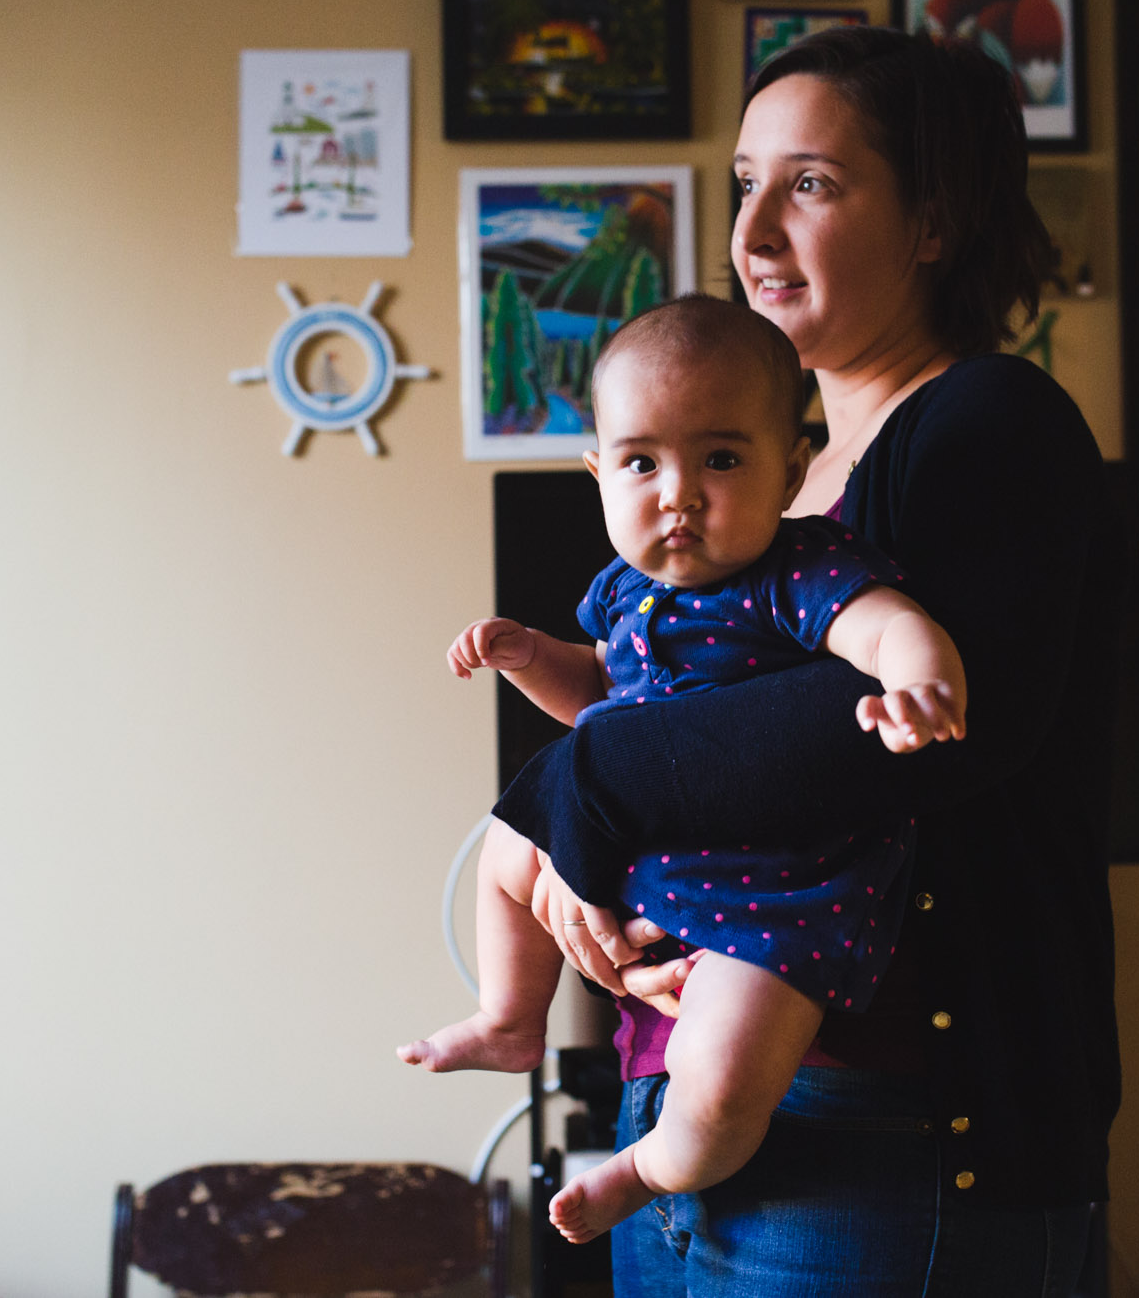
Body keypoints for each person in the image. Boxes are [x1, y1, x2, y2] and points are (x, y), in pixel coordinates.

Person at [487, 26, 1120, 1296]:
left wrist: (574, 796)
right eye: (743, 184)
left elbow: (907, 726)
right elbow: (663, 712)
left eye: (811, 185)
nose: (752, 232)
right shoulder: (781, 478)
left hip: (888, 1143)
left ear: (931, 223)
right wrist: (568, 863)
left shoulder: (989, 422)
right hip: (678, 1101)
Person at [399, 295, 968, 1246]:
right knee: (509, 837)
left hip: (774, 896)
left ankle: (651, 1163)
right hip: (654, 870)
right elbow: (597, 698)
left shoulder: (800, 569)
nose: (678, 493)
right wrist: (529, 654)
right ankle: (509, 1014)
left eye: (721, 459)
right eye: (640, 462)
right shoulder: (622, 590)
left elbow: (891, 627)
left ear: (792, 469)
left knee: (729, 1067)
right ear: (598, 474)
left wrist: (921, 685)